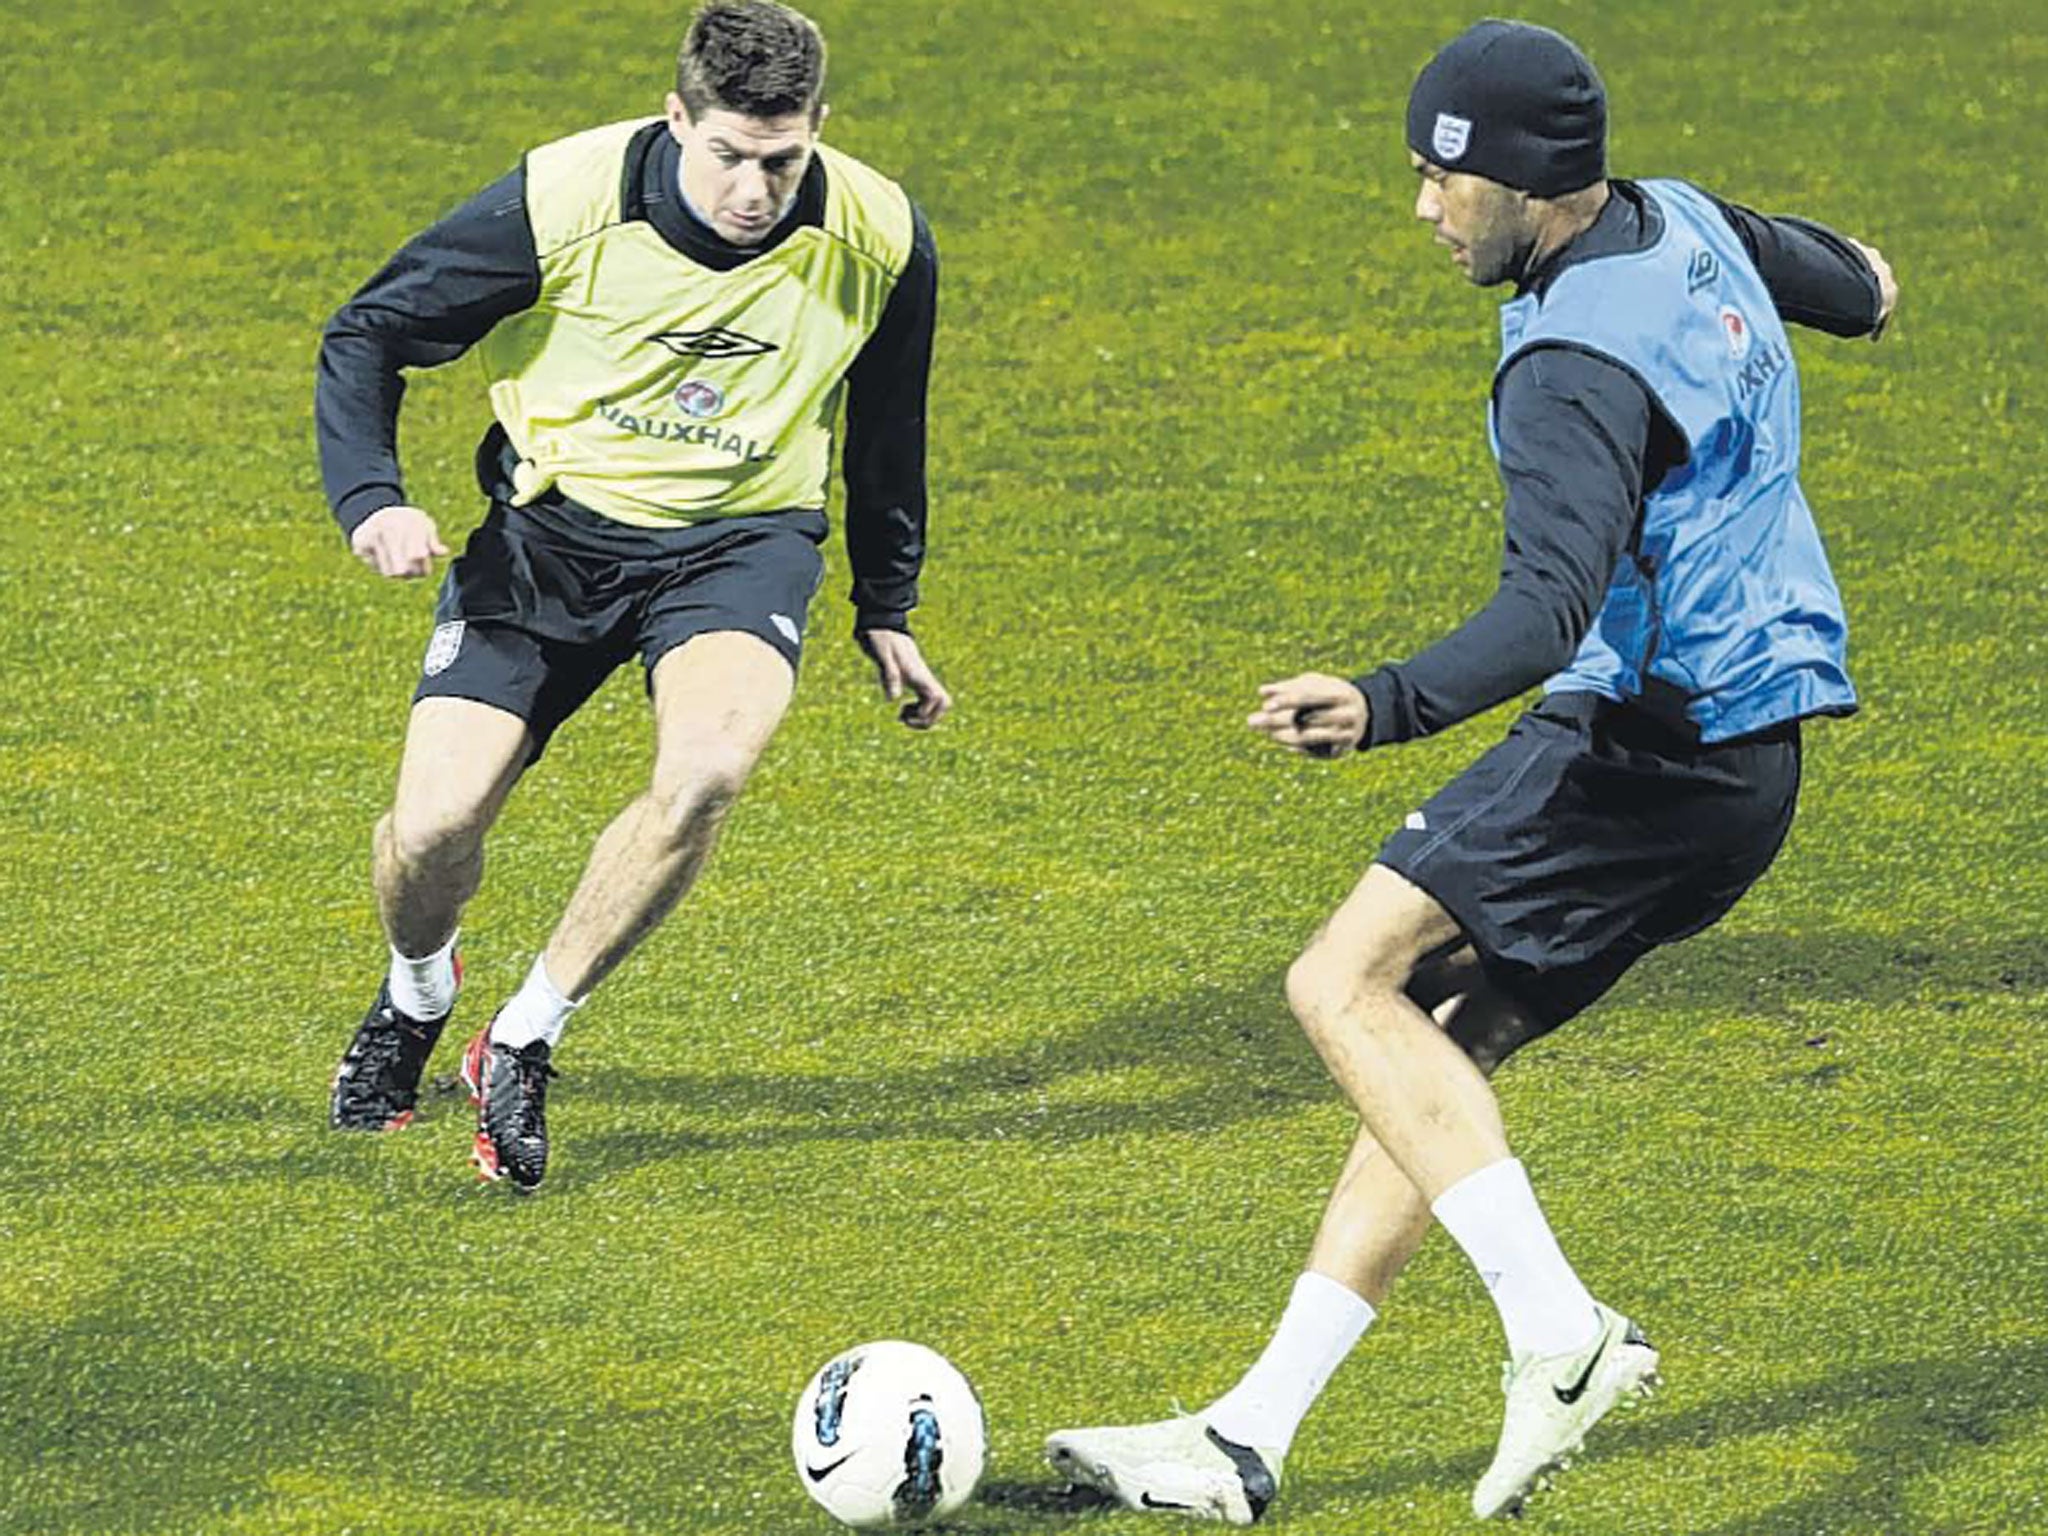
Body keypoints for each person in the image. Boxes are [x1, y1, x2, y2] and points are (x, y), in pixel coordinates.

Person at [1046, 18, 1897, 1524]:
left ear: (1530, 184)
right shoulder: (1681, 219)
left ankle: (1560, 1335)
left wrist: (1381, 703)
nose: (1425, 209)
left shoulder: (1569, 366)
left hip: (1646, 741)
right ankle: (1246, 1436)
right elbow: (1864, 286)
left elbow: (1547, 610)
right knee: (1431, 1045)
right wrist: (1828, 297)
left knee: (1338, 983)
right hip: (1748, 765)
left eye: (1448, 181)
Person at [320, 0, 949, 1192]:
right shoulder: (561, 200)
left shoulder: (878, 234)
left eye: (781, 160)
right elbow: (369, 331)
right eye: (728, 155)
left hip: (739, 544)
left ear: (818, 126)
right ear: (675, 119)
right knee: (434, 828)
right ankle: (417, 995)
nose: (754, 191)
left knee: (706, 774)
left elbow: (888, 424)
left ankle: (523, 1038)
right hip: (545, 540)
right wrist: (372, 501)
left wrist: (886, 605)